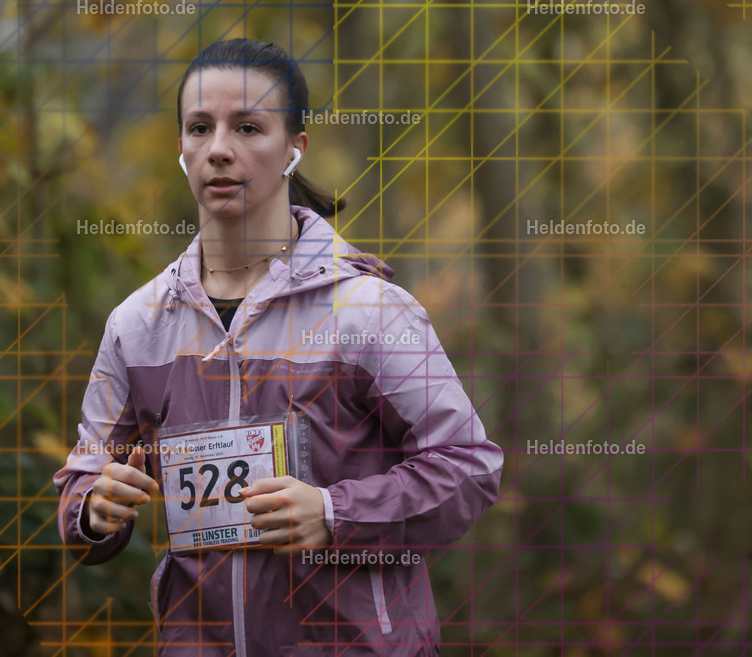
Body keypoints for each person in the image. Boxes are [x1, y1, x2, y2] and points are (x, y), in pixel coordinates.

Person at [54, 38, 504, 656]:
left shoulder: (369, 311)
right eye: (199, 128)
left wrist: (334, 513)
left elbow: (468, 467)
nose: (218, 149)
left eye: (247, 127)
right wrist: (93, 509)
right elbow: (84, 476)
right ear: (181, 150)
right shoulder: (137, 325)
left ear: (295, 149)